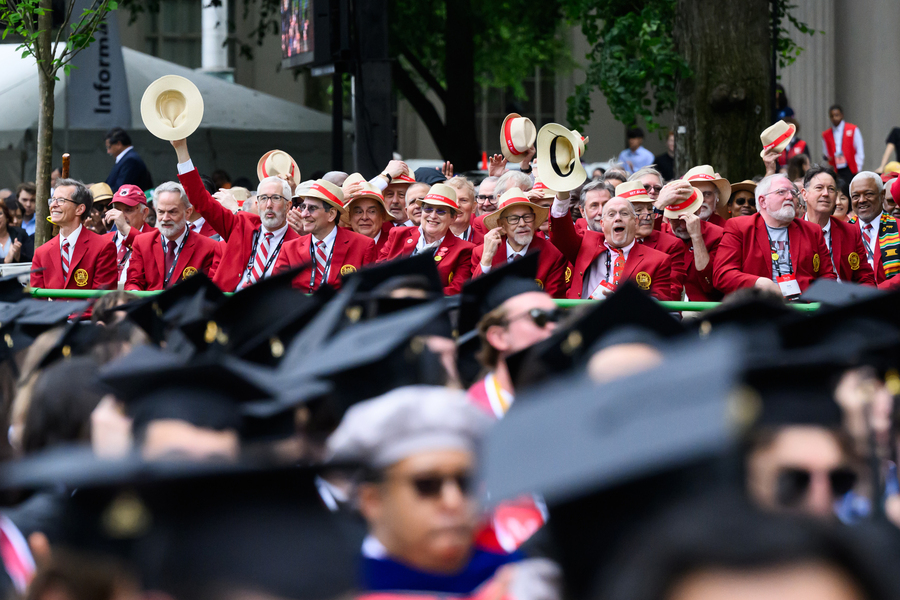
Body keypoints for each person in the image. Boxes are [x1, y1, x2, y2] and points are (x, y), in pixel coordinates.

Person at [327, 387, 532, 595]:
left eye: (465, 482)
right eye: (427, 485)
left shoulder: (524, 578)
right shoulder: (347, 589)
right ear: (372, 501)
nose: (454, 501)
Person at [172, 137, 300, 291]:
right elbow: (201, 200)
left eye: (276, 198)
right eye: (264, 198)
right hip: (229, 307)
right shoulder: (242, 224)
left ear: (288, 206)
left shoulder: (299, 244)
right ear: (257, 204)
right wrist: (181, 149)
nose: (269, 204)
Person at [713, 173, 836, 297]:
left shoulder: (812, 231)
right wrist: (758, 283)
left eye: (793, 193)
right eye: (781, 192)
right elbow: (722, 274)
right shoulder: (740, 227)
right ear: (763, 201)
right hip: (758, 307)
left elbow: (828, 276)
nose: (790, 197)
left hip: (803, 308)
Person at [550, 194, 673, 300]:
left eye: (624, 213)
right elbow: (561, 232)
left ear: (635, 222)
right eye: (611, 214)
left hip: (627, 324)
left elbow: (659, 304)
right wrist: (562, 193)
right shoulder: (585, 244)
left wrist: (624, 301)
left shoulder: (658, 260)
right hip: (585, 320)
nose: (618, 218)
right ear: (602, 224)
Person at [274, 180, 377, 292]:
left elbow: (370, 291)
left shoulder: (363, 246)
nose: (304, 214)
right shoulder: (289, 249)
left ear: (331, 214)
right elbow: (276, 291)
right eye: (304, 207)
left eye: (312, 208)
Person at [377, 184, 475, 295]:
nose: (433, 216)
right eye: (428, 209)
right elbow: (379, 273)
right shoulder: (397, 234)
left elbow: (456, 289)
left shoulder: (464, 250)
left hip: (432, 309)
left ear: (453, 218)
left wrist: (420, 298)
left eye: (441, 211)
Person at [472, 188, 568, 298]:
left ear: (534, 220)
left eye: (527, 217)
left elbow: (553, 300)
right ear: (502, 225)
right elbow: (474, 296)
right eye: (513, 219)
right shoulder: (482, 252)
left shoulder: (552, 254)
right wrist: (486, 259)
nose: (522, 224)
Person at [125, 182, 220, 290]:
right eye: (161, 212)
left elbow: (208, 292)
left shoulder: (209, 248)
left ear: (188, 213)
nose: (165, 218)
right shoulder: (142, 243)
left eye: (172, 212)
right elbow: (133, 282)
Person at [30, 178, 117, 290]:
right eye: (52, 200)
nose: (53, 205)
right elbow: (36, 299)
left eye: (61, 200)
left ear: (80, 209)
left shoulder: (103, 247)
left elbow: (101, 299)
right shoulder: (41, 253)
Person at [801, 165, 875, 285]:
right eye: (819, 188)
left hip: (846, 299)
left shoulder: (850, 231)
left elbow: (865, 277)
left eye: (831, 189)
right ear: (804, 194)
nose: (825, 194)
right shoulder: (793, 231)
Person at [617, 181, 685, 300]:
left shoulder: (671, 245)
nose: (647, 215)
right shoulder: (604, 243)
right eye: (638, 211)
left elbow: (671, 294)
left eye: (650, 209)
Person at [662, 186, 724, 301]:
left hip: (700, 307)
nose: (683, 226)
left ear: (699, 211)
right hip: (665, 304)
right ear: (667, 217)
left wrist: (697, 237)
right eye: (676, 219)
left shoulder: (717, 234)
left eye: (686, 218)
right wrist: (660, 204)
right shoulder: (659, 232)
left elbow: (709, 284)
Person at [848, 171, 900, 289]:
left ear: (882, 196)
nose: (861, 200)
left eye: (869, 194)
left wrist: (876, 292)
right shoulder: (843, 232)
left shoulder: (898, 227)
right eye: (856, 196)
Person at [103, 185, 155, 285]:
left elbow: (151, 256)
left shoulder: (156, 237)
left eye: (128, 210)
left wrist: (126, 229)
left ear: (144, 213)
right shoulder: (103, 240)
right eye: (117, 210)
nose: (120, 216)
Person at [342, 176, 394, 256]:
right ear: (350, 216)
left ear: (382, 215)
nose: (364, 217)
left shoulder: (395, 243)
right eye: (358, 212)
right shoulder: (338, 242)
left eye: (372, 211)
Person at [822, 105, 864, 183]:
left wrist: (858, 167)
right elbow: (826, 152)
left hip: (850, 167)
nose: (834, 118)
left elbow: (859, 149)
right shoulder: (826, 134)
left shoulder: (853, 129)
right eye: (832, 116)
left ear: (842, 115)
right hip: (835, 168)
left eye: (836, 115)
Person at [447, 176, 482, 244]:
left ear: (474, 207)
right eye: (452, 199)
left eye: (463, 200)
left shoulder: (484, 243)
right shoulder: (431, 240)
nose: (457, 205)